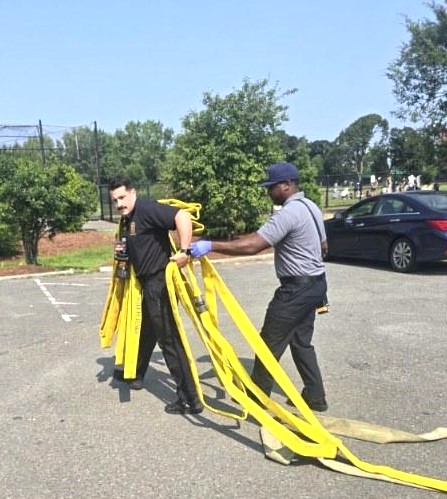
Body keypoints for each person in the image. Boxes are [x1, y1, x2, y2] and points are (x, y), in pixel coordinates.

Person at [190, 163, 328, 412]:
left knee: (267, 343)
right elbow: (324, 246)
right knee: (300, 341)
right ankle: (315, 396)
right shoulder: (312, 207)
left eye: (272, 187)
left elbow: (253, 245)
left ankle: (256, 396)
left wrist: (210, 245)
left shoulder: (288, 214)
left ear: (287, 185)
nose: (268, 192)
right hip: (316, 284)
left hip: (295, 290)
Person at [109, 176, 203, 415]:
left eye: (122, 197)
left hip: (160, 283)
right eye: (115, 200)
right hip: (144, 284)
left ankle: (190, 399)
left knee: (169, 340)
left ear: (133, 193)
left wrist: (184, 250)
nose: (119, 203)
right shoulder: (128, 218)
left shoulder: (147, 209)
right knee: (146, 330)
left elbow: (181, 216)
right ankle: (136, 373)